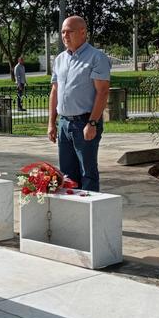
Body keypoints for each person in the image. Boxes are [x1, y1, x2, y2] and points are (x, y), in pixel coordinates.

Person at [47, 16, 111, 191]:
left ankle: (90, 214)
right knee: (67, 175)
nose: (64, 35)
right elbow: (55, 91)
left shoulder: (96, 57)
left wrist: (92, 123)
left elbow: (103, 91)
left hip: (84, 122)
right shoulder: (60, 59)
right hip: (64, 124)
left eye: (69, 31)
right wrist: (52, 123)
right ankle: (73, 213)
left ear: (83, 32)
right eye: (62, 32)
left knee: (87, 173)